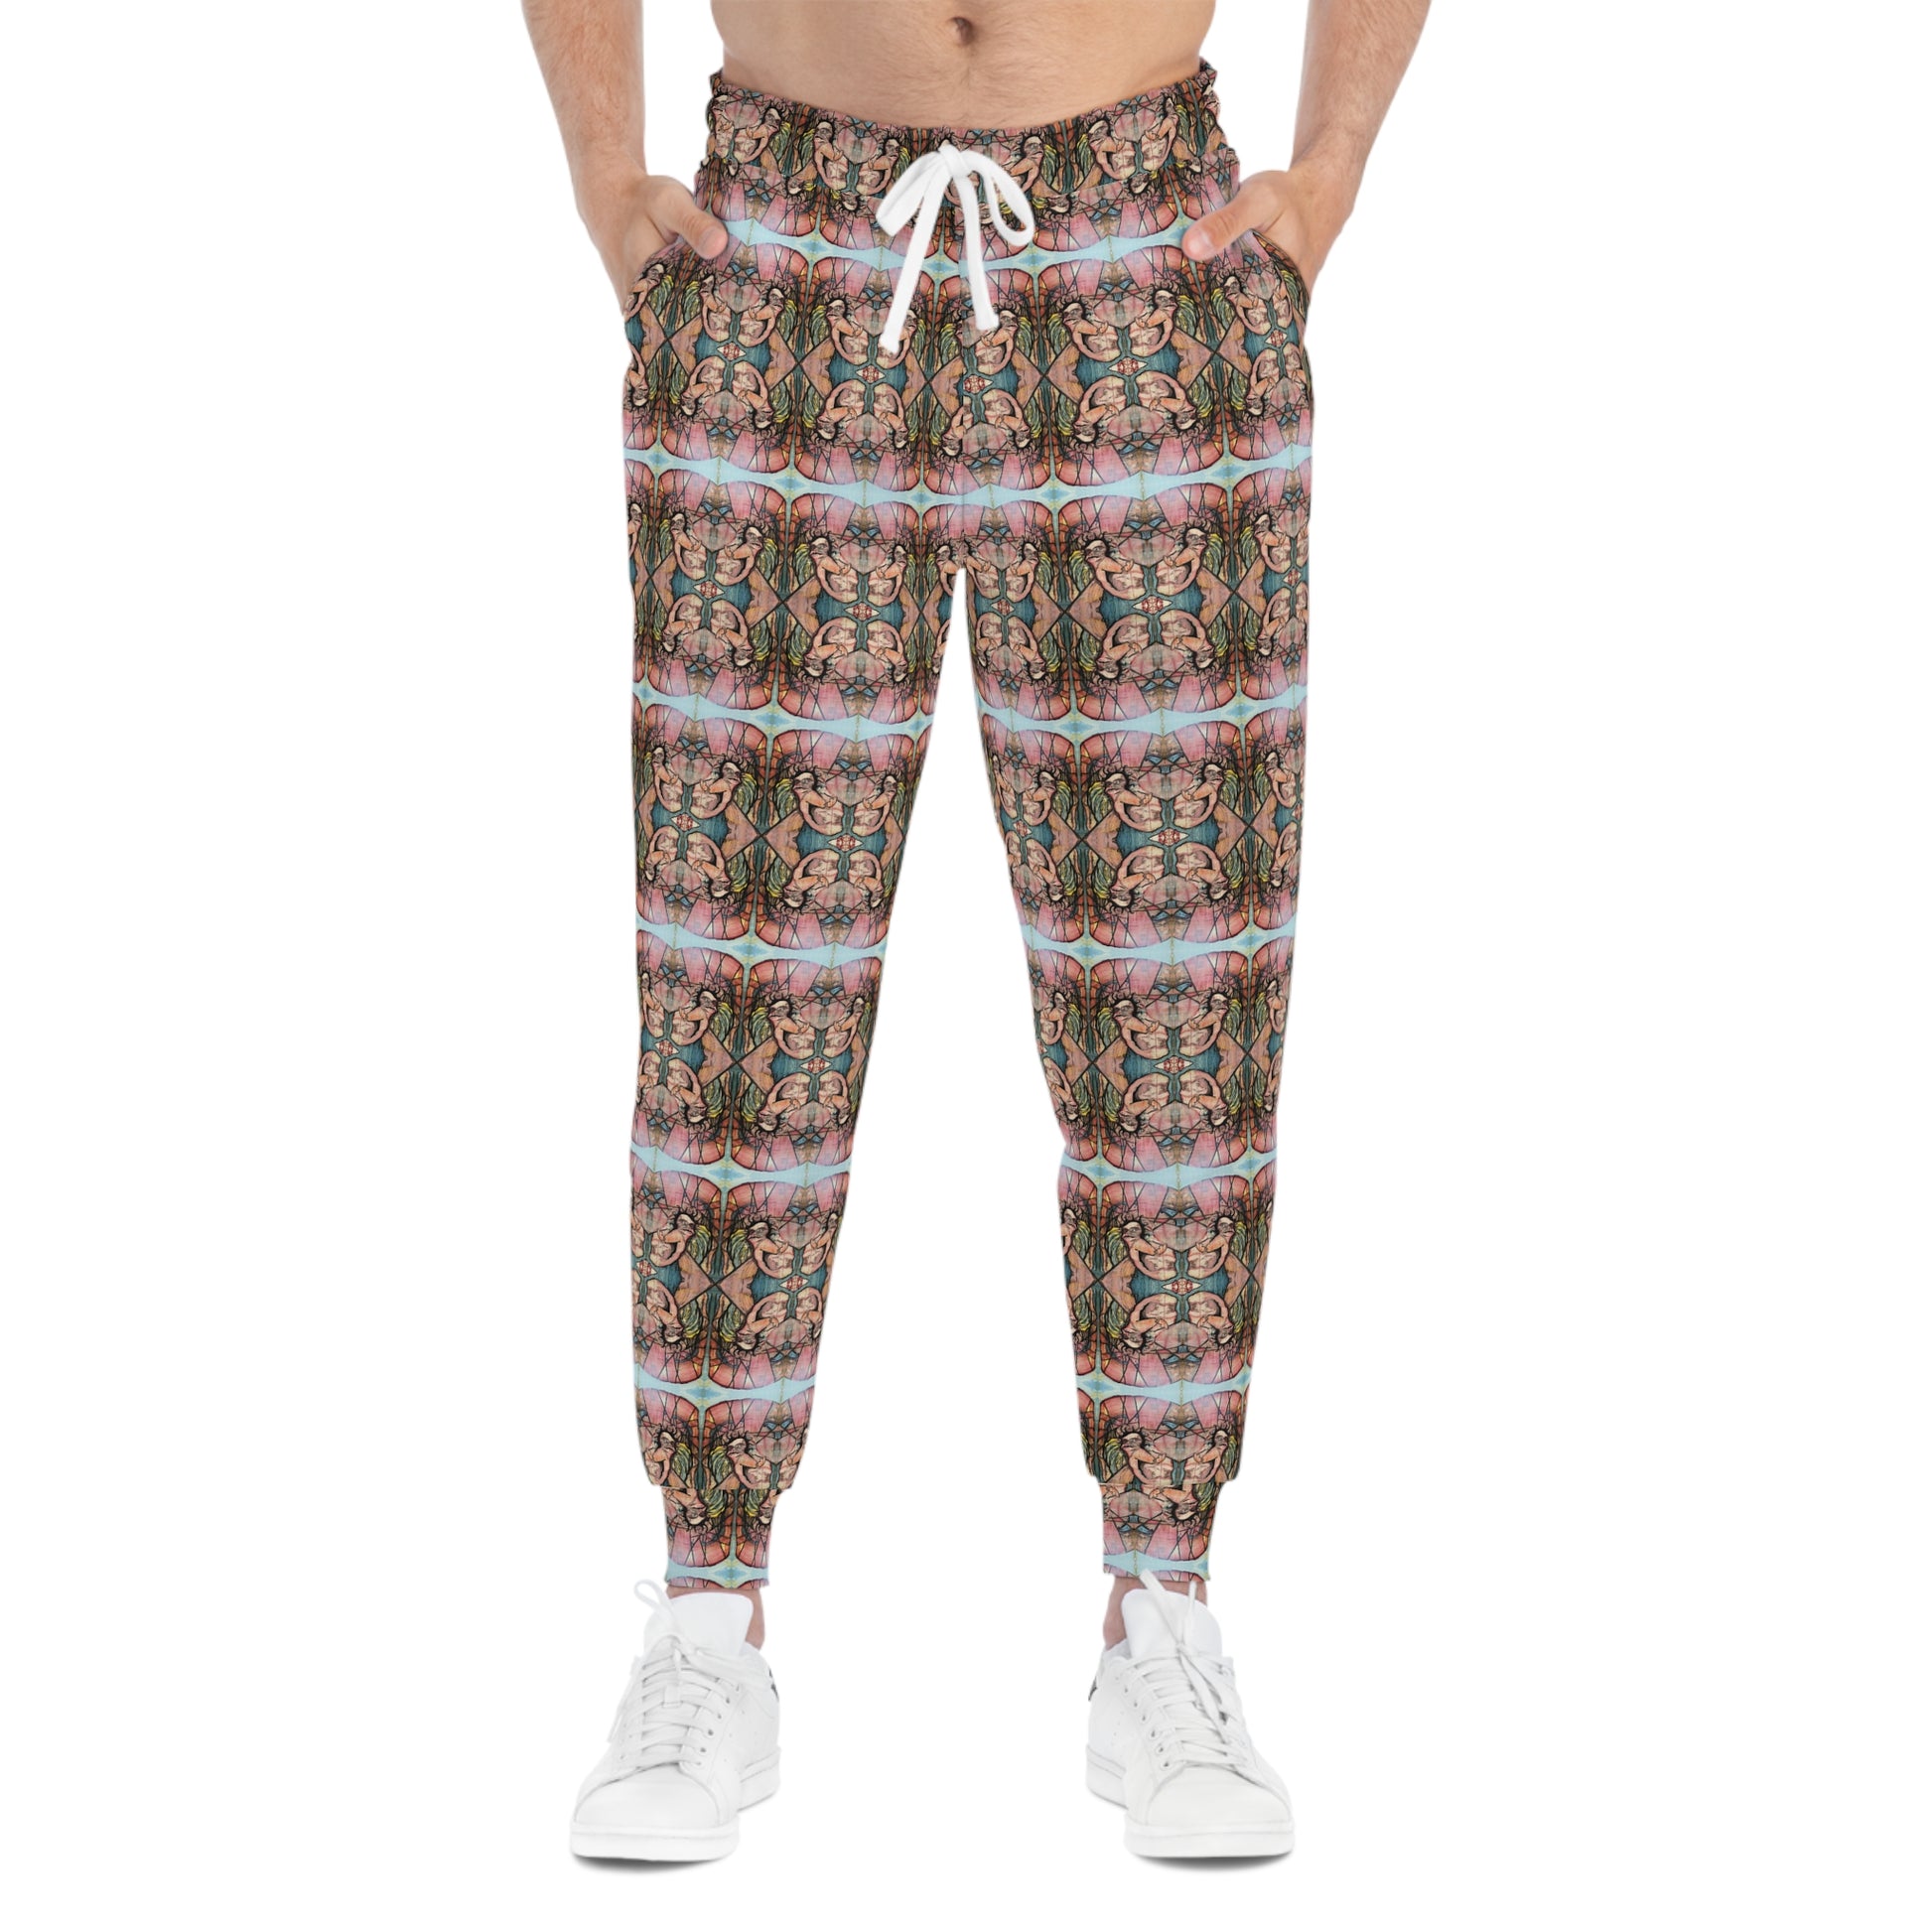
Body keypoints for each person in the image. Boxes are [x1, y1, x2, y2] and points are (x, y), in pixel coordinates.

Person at [522, 0, 1429, 1862]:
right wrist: (605, 174)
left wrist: (1329, 171)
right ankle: (706, 1613)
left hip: (1139, 244)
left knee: (1176, 969)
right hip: (786, 244)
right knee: (738, 967)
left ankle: (1160, 1609)